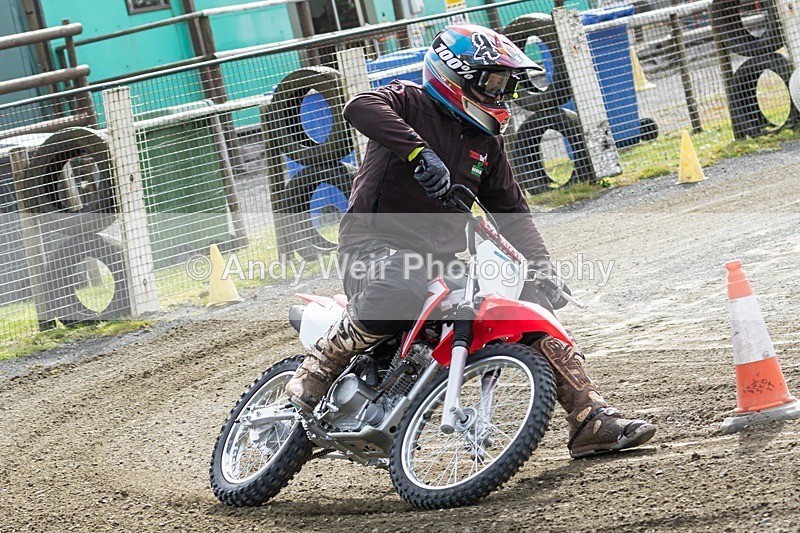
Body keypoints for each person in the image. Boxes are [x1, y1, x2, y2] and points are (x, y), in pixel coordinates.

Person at [286, 24, 656, 458]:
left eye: (506, 85)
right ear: (456, 74)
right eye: (494, 83)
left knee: (530, 299)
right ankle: (322, 363)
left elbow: (513, 213)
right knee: (404, 278)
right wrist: (418, 153)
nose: (501, 95)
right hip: (370, 246)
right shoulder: (408, 101)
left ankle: (589, 417)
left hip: (441, 261)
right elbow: (358, 106)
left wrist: (541, 270)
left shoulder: (487, 143)